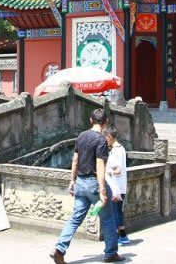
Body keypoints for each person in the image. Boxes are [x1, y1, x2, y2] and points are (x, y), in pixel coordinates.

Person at [50, 108, 122, 264]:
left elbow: (75, 160)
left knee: (75, 219)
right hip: (94, 183)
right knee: (108, 219)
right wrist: (102, 190)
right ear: (106, 122)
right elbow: (100, 165)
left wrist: (72, 180)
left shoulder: (81, 136)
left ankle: (59, 248)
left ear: (90, 120)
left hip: (81, 183)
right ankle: (111, 253)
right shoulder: (101, 140)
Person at [103, 126, 129, 246]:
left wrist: (107, 171)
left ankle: (119, 237)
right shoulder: (121, 148)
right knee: (118, 211)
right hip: (120, 186)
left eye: (105, 138)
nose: (105, 141)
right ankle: (123, 236)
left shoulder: (115, 151)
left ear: (109, 136)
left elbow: (118, 170)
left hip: (115, 187)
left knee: (115, 212)